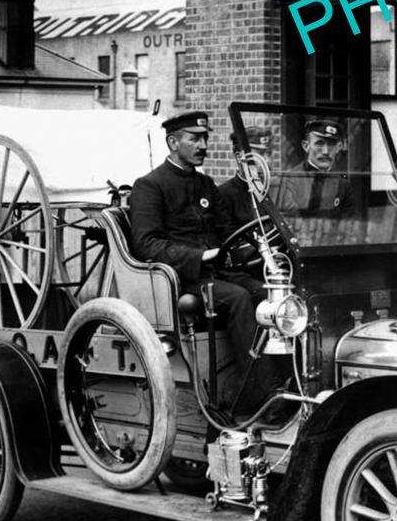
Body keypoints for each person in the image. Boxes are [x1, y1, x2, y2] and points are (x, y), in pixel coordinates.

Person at [128, 111, 273, 414]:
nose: (203, 145)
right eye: (194, 139)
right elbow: (146, 244)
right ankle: (258, 395)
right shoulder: (150, 186)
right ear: (172, 142)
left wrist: (260, 251)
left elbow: (227, 232)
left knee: (267, 293)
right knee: (239, 298)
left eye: (205, 138)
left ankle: (278, 382)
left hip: (215, 273)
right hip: (180, 278)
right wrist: (199, 256)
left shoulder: (206, 185)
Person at [270, 118, 356, 217]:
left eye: (331, 144)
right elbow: (290, 223)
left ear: (338, 147)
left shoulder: (343, 185)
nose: (326, 152)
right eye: (319, 144)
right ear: (306, 146)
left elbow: (349, 224)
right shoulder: (289, 181)